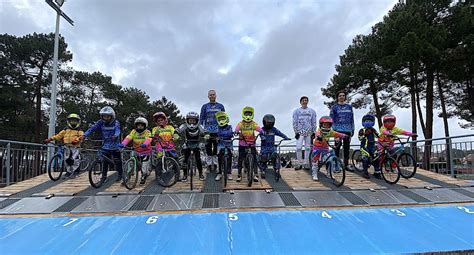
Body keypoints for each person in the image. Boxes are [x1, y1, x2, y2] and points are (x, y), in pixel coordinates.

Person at [81, 106, 123, 183]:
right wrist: (84, 135)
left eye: (108, 116)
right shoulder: (100, 122)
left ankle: (120, 174)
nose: (106, 118)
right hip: (105, 145)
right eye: (104, 116)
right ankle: (104, 176)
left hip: (115, 145)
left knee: (118, 161)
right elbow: (92, 128)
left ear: (112, 116)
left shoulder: (116, 122)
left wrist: (116, 135)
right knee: (105, 161)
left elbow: (118, 130)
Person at [44, 113, 83, 178]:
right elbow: (59, 136)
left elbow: (81, 137)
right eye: (71, 121)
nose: (73, 122)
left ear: (78, 122)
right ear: (68, 121)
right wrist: (50, 139)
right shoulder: (65, 130)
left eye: (75, 121)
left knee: (74, 159)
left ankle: (76, 172)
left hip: (75, 147)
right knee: (66, 159)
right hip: (67, 146)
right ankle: (68, 172)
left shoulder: (79, 130)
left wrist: (76, 140)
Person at [311, 116, 347, 181]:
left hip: (325, 148)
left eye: (328, 124)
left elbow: (337, 134)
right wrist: (319, 137)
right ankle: (314, 173)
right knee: (315, 160)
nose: (326, 126)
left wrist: (344, 135)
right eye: (325, 124)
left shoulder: (330, 132)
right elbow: (317, 133)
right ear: (321, 124)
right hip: (317, 148)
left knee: (329, 160)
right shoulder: (319, 130)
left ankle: (329, 173)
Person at [176, 111, 209, 182]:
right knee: (185, 160)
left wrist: (206, 135)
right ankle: (185, 175)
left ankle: (200, 174)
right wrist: (176, 135)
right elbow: (178, 130)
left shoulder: (199, 125)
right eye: (190, 120)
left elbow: (205, 131)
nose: (192, 122)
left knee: (198, 159)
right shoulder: (184, 125)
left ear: (197, 120)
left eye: (194, 120)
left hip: (197, 143)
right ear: (187, 120)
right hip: (187, 143)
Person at [121, 117, 152, 184]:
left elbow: (149, 139)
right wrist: (123, 144)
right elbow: (128, 137)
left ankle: (143, 176)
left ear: (145, 126)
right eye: (138, 125)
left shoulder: (147, 132)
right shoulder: (134, 131)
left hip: (146, 151)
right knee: (131, 164)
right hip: (136, 150)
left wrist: (145, 144)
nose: (140, 127)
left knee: (144, 165)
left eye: (141, 125)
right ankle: (127, 177)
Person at [200, 90, 225, 172]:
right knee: (208, 148)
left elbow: (224, 118)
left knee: (216, 148)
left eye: (213, 94)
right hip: (207, 131)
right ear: (208, 96)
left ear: (216, 95)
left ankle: (215, 164)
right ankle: (209, 165)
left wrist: (224, 128)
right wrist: (201, 129)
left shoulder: (220, 106)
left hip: (218, 130)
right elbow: (201, 118)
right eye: (210, 95)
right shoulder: (204, 106)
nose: (212, 96)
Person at [235, 106, 262, 182]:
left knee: (254, 160)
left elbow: (259, 128)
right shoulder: (241, 123)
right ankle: (239, 175)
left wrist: (262, 132)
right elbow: (237, 128)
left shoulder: (253, 123)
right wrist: (236, 131)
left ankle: (256, 174)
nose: (247, 115)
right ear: (243, 114)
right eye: (246, 113)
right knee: (240, 159)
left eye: (249, 114)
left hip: (251, 143)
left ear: (252, 114)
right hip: (242, 144)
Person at [258, 114, 290, 178]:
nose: (269, 124)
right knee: (263, 158)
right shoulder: (262, 129)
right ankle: (263, 170)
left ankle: (276, 170)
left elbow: (280, 133)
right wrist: (262, 137)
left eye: (270, 123)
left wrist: (285, 137)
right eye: (267, 123)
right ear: (264, 122)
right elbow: (260, 134)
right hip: (264, 147)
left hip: (272, 147)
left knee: (276, 156)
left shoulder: (274, 129)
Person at [330, 90, 355, 171]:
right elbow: (331, 119)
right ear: (337, 97)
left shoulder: (349, 107)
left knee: (347, 148)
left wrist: (352, 129)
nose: (341, 97)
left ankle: (346, 165)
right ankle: (336, 165)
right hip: (338, 130)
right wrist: (334, 130)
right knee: (337, 148)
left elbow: (352, 119)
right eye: (340, 95)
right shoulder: (334, 107)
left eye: (343, 95)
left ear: (345, 97)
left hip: (348, 130)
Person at [151, 112, 180, 177]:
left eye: (162, 120)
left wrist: (175, 137)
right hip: (160, 146)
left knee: (175, 159)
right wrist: (155, 135)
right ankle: (158, 175)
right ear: (156, 122)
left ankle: (177, 175)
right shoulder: (155, 128)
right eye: (158, 120)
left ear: (165, 120)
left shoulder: (170, 127)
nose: (160, 121)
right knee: (160, 160)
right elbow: (153, 136)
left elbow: (174, 134)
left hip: (170, 146)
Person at [292, 96, 317, 170]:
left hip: (309, 132)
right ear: (301, 102)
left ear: (307, 101)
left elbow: (314, 122)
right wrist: (296, 131)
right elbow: (294, 121)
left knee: (308, 148)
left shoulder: (312, 111)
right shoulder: (296, 111)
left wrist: (313, 132)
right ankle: (299, 163)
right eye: (303, 100)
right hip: (300, 132)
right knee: (298, 147)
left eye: (306, 100)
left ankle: (306, 163)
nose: (305, 101)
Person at [357, 114, 379, 179]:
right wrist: (365, 134)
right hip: (364, 147)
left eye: (370, 120)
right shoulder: (362, 130)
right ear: (363, 122)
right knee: (366, 158)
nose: (368, 122)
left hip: (372, 147)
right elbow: (360, 138)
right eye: (366, 120)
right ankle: (365, 172)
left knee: (377, 157)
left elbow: (378, 136)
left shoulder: (373, 130)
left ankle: (377, 172)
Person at [214, 111, 234, 181]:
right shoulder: (217, 127)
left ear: (226, 118)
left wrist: (223, 136)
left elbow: (230, 134)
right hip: (220, 144)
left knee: (230, 157)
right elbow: (216, 135)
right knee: (219, 157)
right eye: (219, 119)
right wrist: (217, 138)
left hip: (229, 143)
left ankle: (229, 173)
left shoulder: (229, 127)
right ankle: (219, 173)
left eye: (223, 118)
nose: (221, 120)